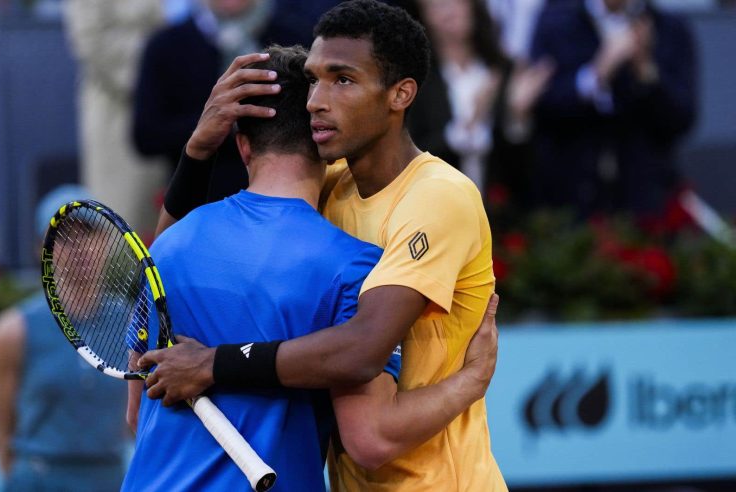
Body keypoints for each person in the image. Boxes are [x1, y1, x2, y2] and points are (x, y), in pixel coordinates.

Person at [144, 1, 506, 490]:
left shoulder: (439, 196)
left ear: (400, 95)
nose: (316, 99)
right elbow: (164, 265)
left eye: (343, 80)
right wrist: (198, 151)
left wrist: (212, 363)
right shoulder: (332, 185)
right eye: (313, 80)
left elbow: (362, 351)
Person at [0, 185, 128, 492]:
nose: (78, 248)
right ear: (42, 249)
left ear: (106, 242)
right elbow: (2, 421)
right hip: (38, 479)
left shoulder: (133, 322)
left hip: (109, 478)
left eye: (88, 233)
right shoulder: (15, 329)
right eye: (63, 237)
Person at [529, 0, 697, 219]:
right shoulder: (557, 23)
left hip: (645, 203)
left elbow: (682, 117)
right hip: (570, 204)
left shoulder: (669, 28)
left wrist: (646, 72)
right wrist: (597, 74)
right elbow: (540, 108)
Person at [404, 0, 553, 209]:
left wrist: (517, 115)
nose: (450, 11)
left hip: (500, 216)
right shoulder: (416, 80)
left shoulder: (502, 69)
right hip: (436, 212)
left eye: (457, 2)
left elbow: (521, 168)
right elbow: (411, 153)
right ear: (422, 15)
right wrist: (468, 123)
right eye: (437, 5)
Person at [131, 0, 274, 200]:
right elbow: (146, 136)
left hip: (276, 194)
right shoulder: (165, 46)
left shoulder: (289, 35)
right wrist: (213, 126)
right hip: (198, 198)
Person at [63, 0, 169, 237]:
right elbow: (91, 40)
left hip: (175, 109)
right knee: (123, 220)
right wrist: (158, 66)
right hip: (119, 112)